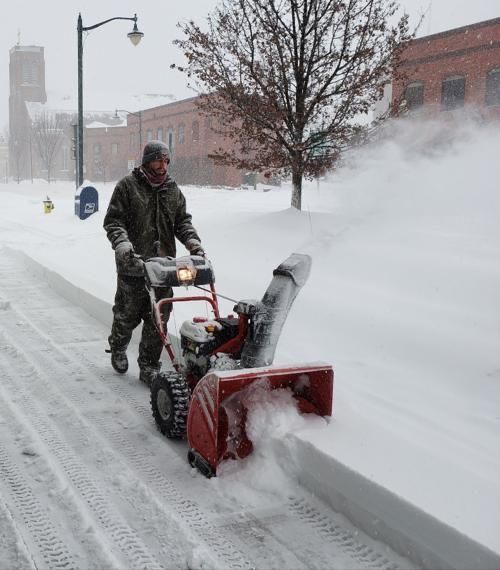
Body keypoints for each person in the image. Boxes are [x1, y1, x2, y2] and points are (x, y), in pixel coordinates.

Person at [103, 140, 204, 385]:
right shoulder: (128, 186)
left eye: (166, 161)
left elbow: (182, 221)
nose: (163, 166)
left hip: (163, 268)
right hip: (133, 266)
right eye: (159, 160)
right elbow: (113, 222)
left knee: (158, 318)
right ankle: (118, 347)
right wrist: (123, 245)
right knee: (127, 315)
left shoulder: (172, 190)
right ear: (147, 161)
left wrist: (193, 242)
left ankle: (148, 364)